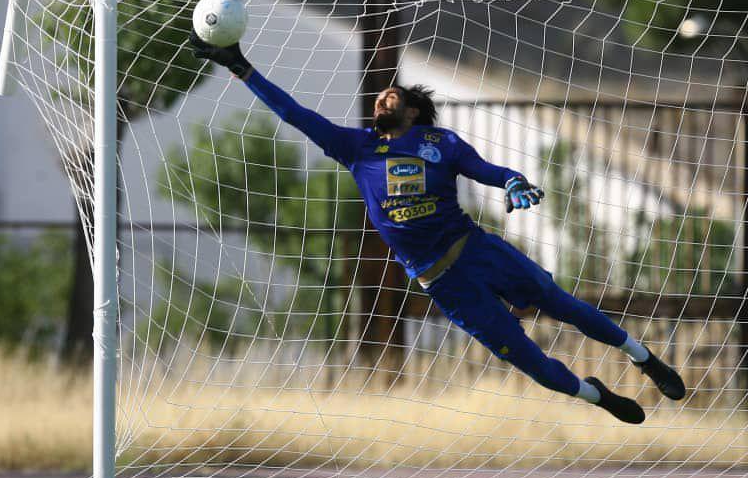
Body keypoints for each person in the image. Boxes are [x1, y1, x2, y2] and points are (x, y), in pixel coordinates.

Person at [189, 32, 686, 424]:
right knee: (535, 367)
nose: (383, 99)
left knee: (566, 306)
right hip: (443, 282)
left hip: (475, 248)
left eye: (392, 94)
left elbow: (487, 171)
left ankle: (644, 358)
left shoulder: (439, 142)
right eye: (382, 96)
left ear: (411, 109)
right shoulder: (356, 148)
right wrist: (241, 67)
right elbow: (293, 113)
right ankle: (595, 395)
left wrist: (513, 181)